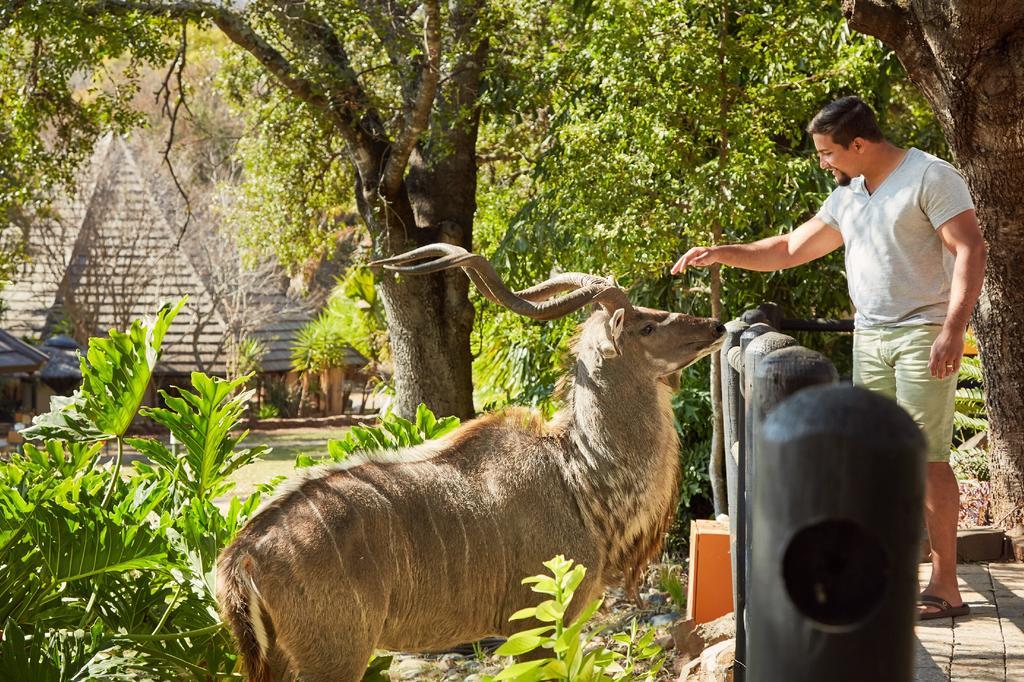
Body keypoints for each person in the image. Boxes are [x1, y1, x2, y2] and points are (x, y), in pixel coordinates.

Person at [672, 96, 986, 621]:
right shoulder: (849, 196)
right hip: (871, 338)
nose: (823, 163)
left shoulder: (930, 177)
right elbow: (791, 249)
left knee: (926, 458)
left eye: (826, 152)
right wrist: (723, 252)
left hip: (921, 336)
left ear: (858, 144)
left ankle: (946, 585)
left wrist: (953, 330)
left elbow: (970, 249)